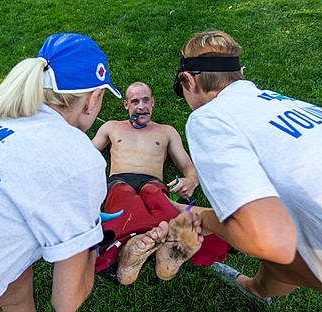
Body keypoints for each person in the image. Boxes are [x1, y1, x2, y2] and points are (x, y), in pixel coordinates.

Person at [171, 30, 322, 311]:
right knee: (282, 243)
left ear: (189, 81)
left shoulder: (209, 118)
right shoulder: (279, 103)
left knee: (272, 239)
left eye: (181, 90)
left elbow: (268, 240)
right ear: (241, 73)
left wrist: (197, 216)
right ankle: (256, 290)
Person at [0, 33, 122, 311]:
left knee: (17, 271)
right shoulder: (78, 157)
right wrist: (96, 239)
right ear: (93, 98)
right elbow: (67, 300)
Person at [92, 81, 230, 285]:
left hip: (153, 183)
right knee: (124, 201)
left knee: (160, 202)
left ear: (153, 103)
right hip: (120, 180)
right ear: (126, 105)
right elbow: (90, 152)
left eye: (146, 100)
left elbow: (187, 166)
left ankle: (157, 248)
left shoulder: (166, 132)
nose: (141, 106)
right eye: (135, 101)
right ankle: (148, 245)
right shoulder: (111, 127)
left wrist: (191, 180)